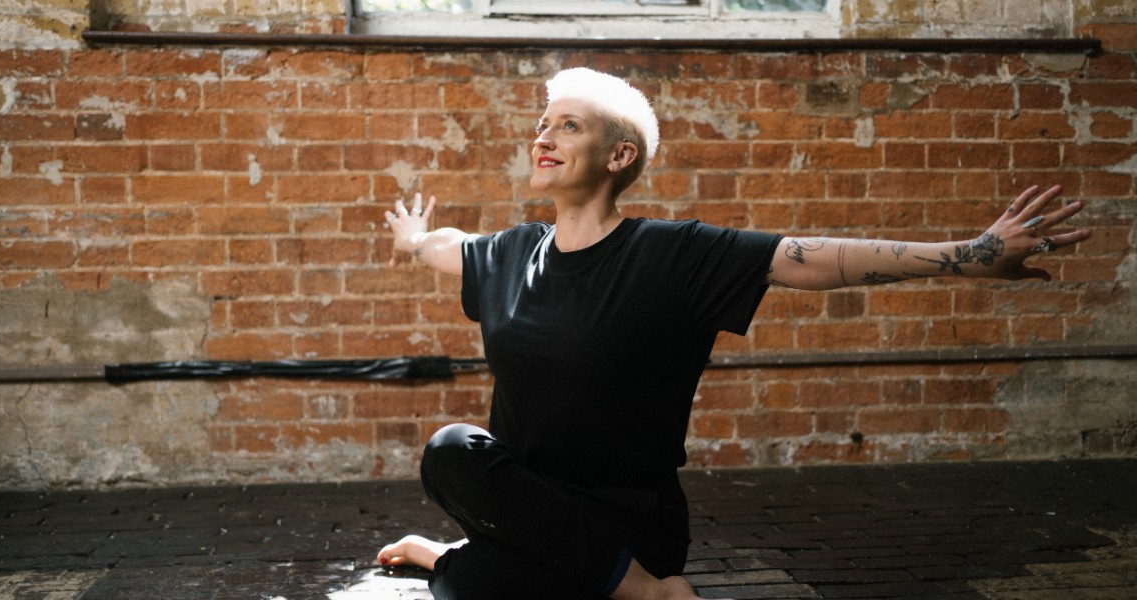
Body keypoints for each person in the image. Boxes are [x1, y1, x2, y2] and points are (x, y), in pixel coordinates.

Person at [374, 67, 1091, 600]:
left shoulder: (673, 254)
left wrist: (967, 257)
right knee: (451, 452)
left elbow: (813, 258)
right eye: (543, 124)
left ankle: (606, 581)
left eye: (568, 124)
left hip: (632, 520)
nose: (544, 136)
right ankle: (613, 587)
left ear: (619, 156)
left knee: (489, 589)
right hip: (532, 505)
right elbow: (445, 245)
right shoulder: (508, 255)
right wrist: (410, 240)